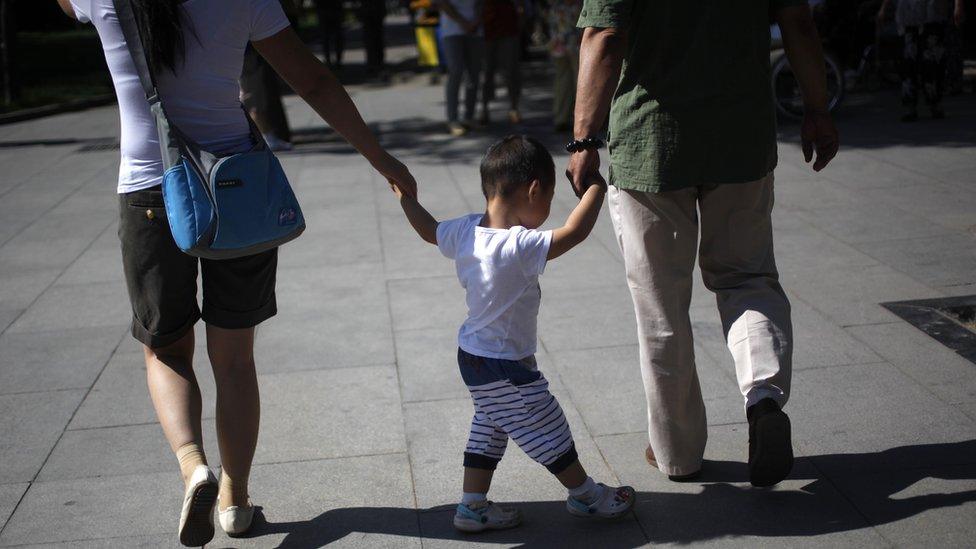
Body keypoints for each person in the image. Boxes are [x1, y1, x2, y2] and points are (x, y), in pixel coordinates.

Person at [55, 0, 417, 545]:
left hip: (150, 192)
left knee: (166, 347)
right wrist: (381, 159)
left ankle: (193, 466)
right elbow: (314, 82)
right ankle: (235, 500)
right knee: (235, 357)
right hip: (237, 190)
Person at [569, 0, 839, 487]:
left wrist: (584, 139)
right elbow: (797, 20)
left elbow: (603, 36)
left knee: (661, 304)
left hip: (652, 141)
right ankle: (763, 399)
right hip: (741, 137)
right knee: (748, 278)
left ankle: (678, 454)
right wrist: (817, 109)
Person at [393, 135, 635, 532]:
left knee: (491, 427)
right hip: (504, 365)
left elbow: (428, 229)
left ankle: (472, 507)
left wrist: (406, 198)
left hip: (473, 355)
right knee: (547, 425)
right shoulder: (519, 244)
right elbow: (573, 232)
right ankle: (587, 497)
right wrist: (596, 187)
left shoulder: (466, 231)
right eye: (548, 198)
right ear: (534, 189)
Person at [878, 0, 966, 120]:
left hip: (932, 13)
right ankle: (910, 106)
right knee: (908, 60)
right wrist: (884, 7)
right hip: (908, 15)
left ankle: (934, 103)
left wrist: (958, 5)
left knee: (932, 61)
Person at [438, 0, 485, 136]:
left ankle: (469, 118)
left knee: (474, 74)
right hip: (452, 31)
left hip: (475, 30)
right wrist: (463, 22)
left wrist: (476, 21)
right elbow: (443, 4)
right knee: (456, 71)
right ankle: (453, 119)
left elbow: (481, 4)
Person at [480, 0, 523, 125]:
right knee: (487, 72)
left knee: (511, 71)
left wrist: (521, 19)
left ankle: (514, 108)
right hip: (487, 30)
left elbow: (520, 6)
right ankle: (484, 109)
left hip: (509, 28)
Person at [547, 0, 582, 132]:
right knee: (570, 82)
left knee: (571, 81)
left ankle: (566, 118)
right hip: (568, 45)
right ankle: (564, 118)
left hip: (569, 44)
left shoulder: (559, 6)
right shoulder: (563, 6)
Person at [359, 0, 388, 75]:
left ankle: (374, 63)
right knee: (375, 39)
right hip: (372, 11)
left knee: (373, 39)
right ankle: (376, 63)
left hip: (371, 10)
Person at [314, 0, 345, 69]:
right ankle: (332, 60)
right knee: (330, 37)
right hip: (329, 8)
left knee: (331, 37)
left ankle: (334, 60)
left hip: (330, 8)